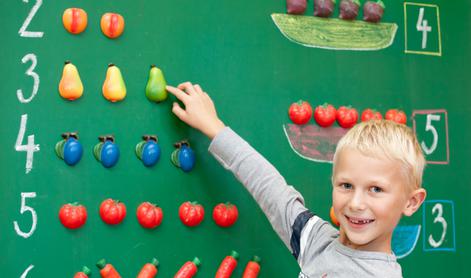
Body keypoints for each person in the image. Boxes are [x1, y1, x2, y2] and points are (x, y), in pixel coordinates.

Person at [166, 82, 427, 278]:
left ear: (411, 201)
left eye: (376, 189)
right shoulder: (318, 242)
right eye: (346, 185)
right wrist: (214, 127)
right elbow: (272, 190)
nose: (356, 203)